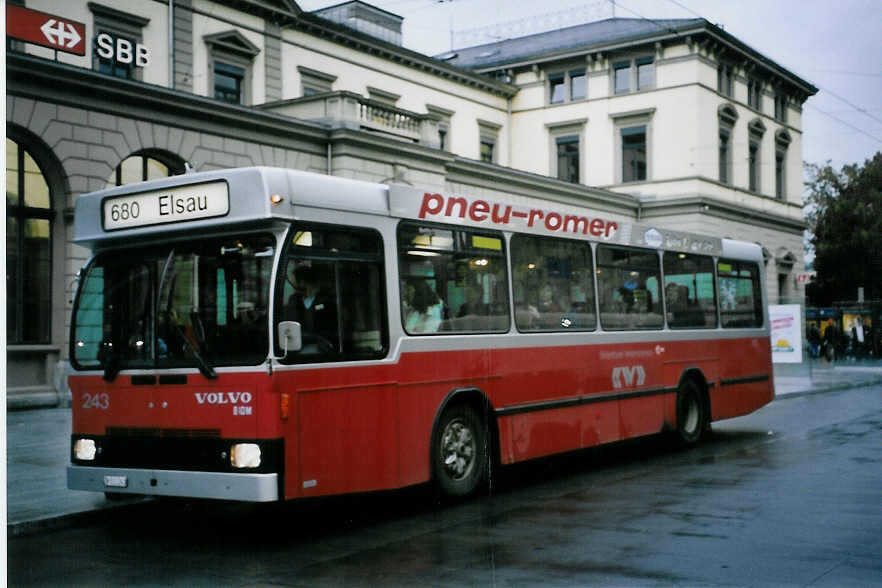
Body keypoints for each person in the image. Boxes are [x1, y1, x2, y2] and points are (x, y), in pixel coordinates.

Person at [286, 264, 338, 350]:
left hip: (322, 347)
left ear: (303, 282)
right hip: (299, 345)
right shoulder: (294, 300)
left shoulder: (326, 301)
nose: (294, 287)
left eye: (295, 283)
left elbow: (332, 329)